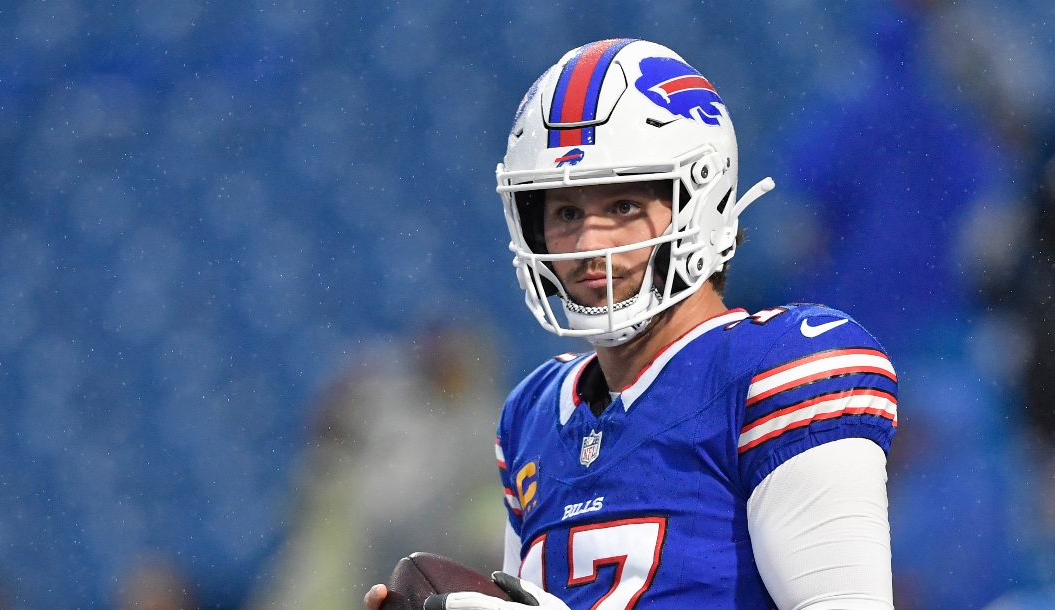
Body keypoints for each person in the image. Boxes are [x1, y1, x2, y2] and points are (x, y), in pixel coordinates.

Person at [366, 38, 897, 610]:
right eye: (566, 212)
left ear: (701, 203)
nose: (589, 245)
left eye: (622, 208)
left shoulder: (782, 369)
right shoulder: (534, 416)